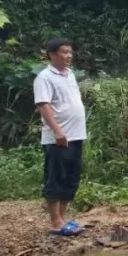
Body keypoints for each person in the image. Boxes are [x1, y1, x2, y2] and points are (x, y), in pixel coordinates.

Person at [34, 38, 87, 236]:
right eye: (64, 52)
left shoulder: (70, 74)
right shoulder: (44, 77)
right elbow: (43, 105)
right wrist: (57, 131)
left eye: (70, 52)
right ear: (52, 54)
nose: (69, 56)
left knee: (72, 178)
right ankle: (55, 222)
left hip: (76, 135)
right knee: (56, 178)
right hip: (58, 138)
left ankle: (62, 218)